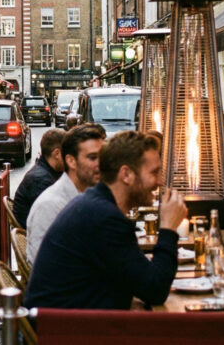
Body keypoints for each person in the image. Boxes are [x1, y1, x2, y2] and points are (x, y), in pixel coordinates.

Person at [25, 131, 187, 310]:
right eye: (154, 172)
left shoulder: (97, 205)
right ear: (126, 174)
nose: (160, 181)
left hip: (68, 323)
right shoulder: (103, 217)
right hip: (65, 332)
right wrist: (168, 229)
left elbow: (135, 274)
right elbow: (155, 289)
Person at [26, 124, 105, 264]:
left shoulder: (85, 197)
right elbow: (46, 267)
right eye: (92, 158)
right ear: (71, 161)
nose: (101, 164)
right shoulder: (50, 206)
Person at [12, 129, 67, 229]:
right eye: (68, 154)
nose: (70, 158)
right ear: (57, 154)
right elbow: (54, 219)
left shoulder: (47, 172)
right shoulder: (40, 180)